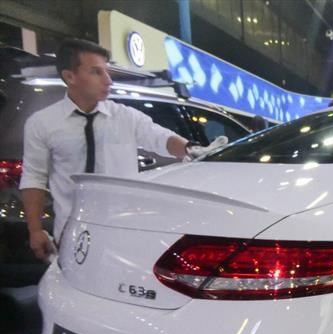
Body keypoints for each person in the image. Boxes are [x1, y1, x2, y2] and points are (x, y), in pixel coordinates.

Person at [20, 38, 207, 261]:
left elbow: (161, 137)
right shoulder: (42, 123)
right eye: (97, 72)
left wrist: (190, 148)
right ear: (70, 76)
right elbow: (34, 177)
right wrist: (35, 229)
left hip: (123, 231)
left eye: (107, 72)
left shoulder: (125, 116)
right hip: (72, 232)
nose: (108, 80)